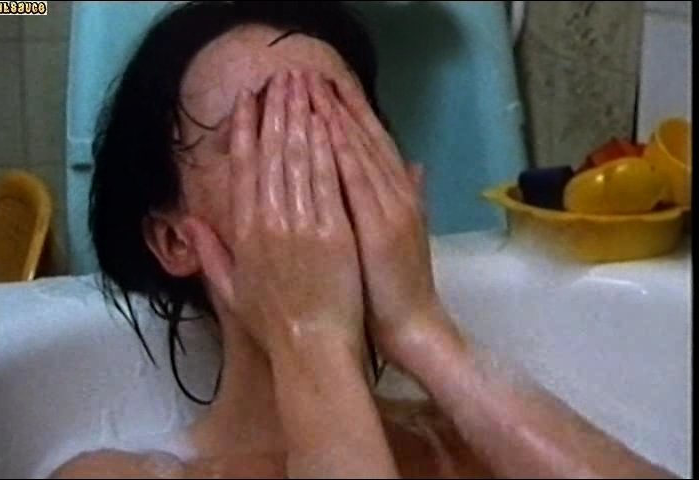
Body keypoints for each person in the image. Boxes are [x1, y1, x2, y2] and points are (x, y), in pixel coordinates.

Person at [53, 2, 677, 478]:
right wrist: (311, 339)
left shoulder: (472, 447)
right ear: (173, 240)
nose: (319, 163)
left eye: (343, 124)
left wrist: (424, 331)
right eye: (266, 134)